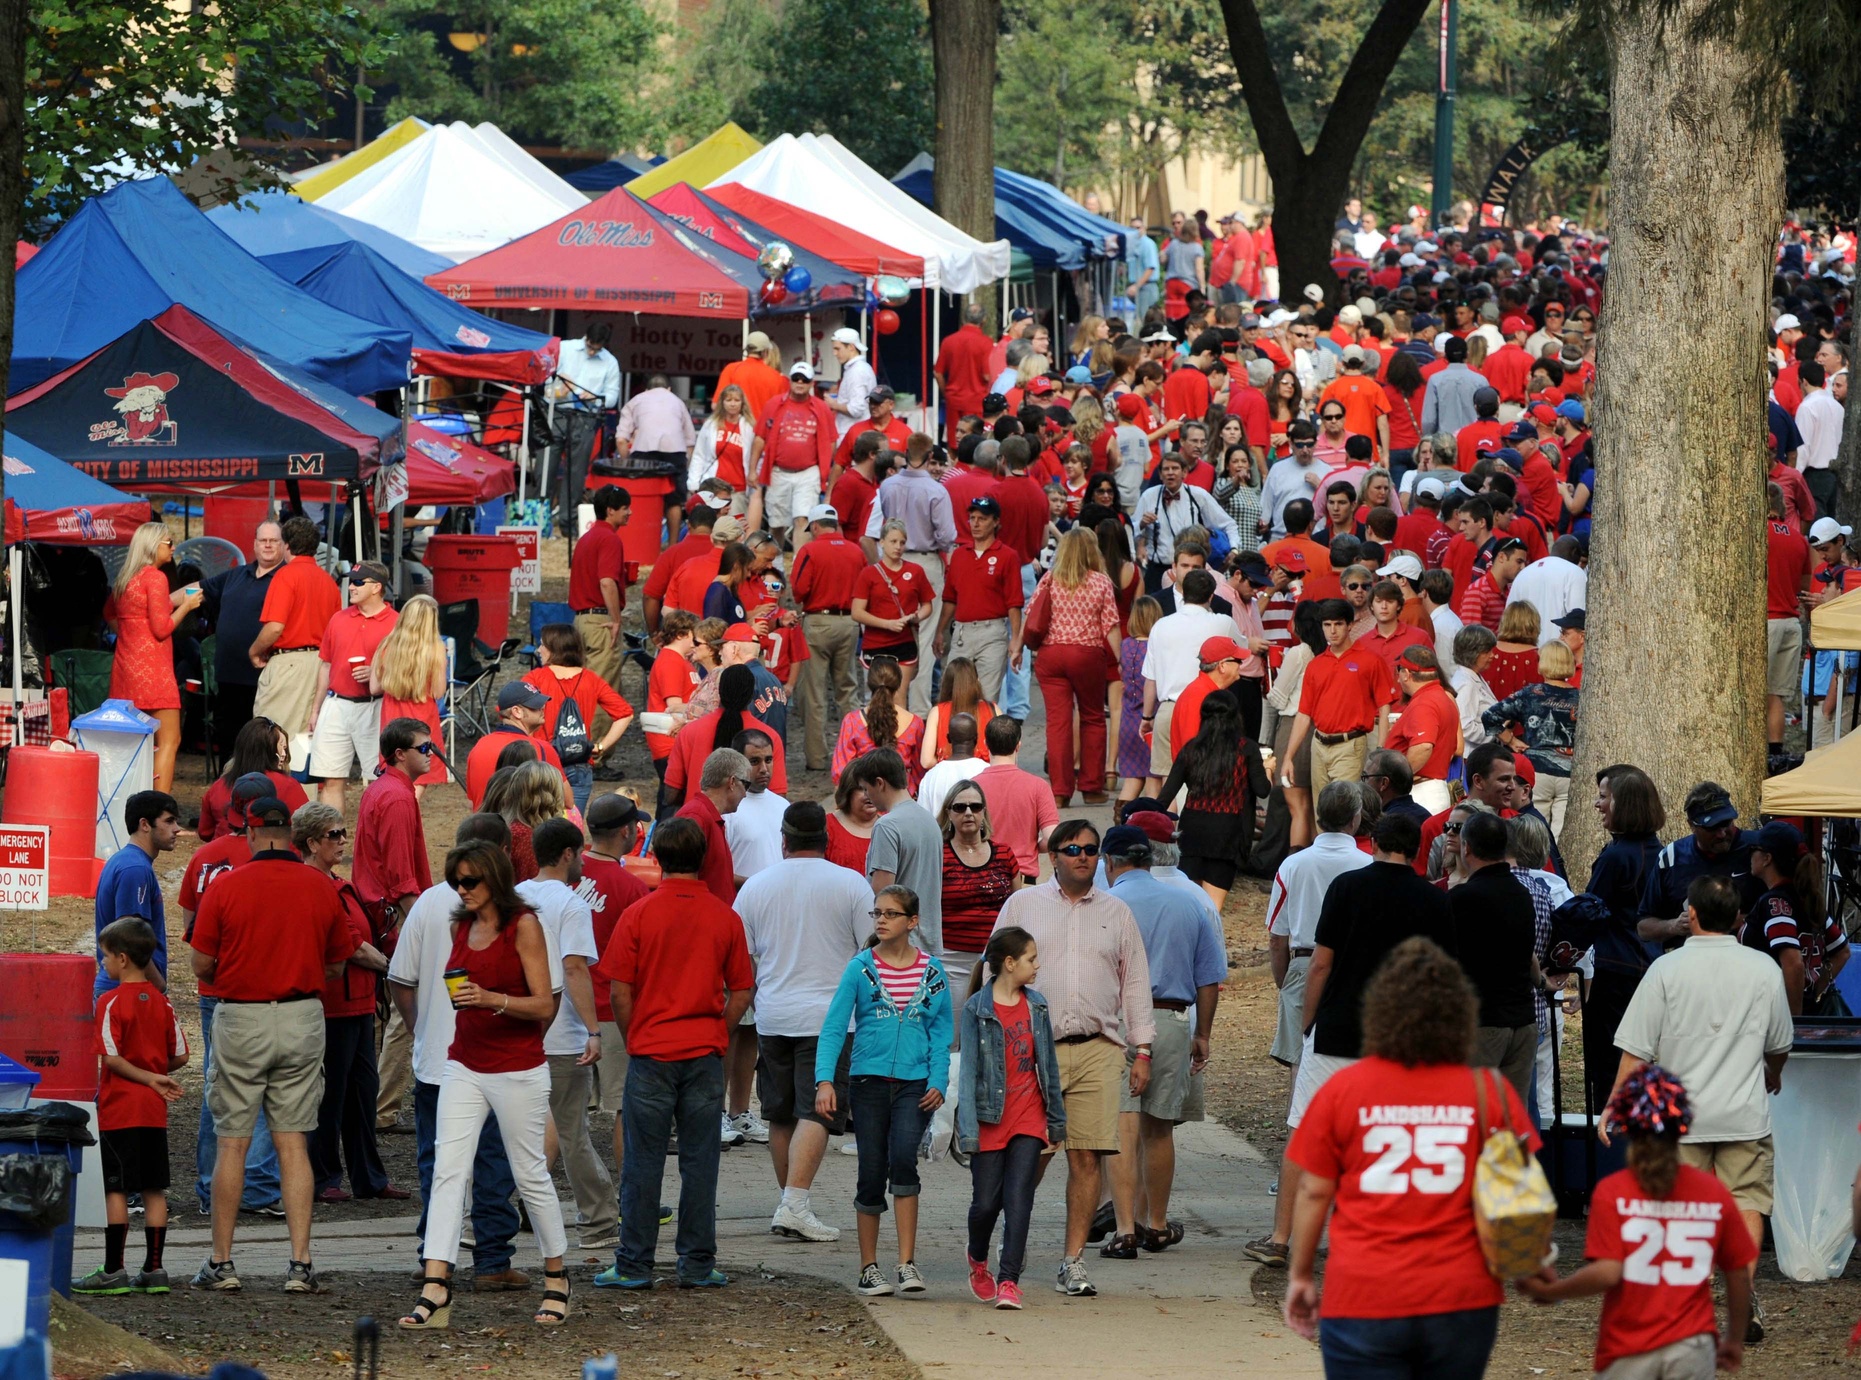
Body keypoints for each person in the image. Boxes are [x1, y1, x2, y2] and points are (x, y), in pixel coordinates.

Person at [1283, 937, 1536, 1376]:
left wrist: (1301, 1275)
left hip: (1363, 1295)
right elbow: (1517, 1195)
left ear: (1379, 1011)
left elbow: (1314, 1191)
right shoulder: (1489, 1091)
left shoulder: (1344, 1090)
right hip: (1462, 1298)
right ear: (1461, 1015)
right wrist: (1528, 1269)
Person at [1256, 814, 1451, 1275]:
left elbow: (1321, 964)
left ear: (1377, 841)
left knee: (1305, 1132)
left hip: (1339, 1028)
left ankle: (1282, 1237)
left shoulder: (1346, 887)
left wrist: (1309, 1023)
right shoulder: (1434, 900)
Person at [1608, 875, 1793, 1346]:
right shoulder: (1763, 969)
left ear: (1689, 913)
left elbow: (1636, 1050)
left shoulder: (1665, 971)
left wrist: (1615, 1104)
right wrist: (1773, 1071)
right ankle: (1742, 1295)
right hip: (1743, 1113)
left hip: (1679, 1119)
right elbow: (1780, 1043)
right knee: (1747, 1203)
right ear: (1738, 918)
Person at [400, 841, 571, 1330]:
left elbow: (544, 1005)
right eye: (457, 880)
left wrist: (493, 999)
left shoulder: (525, 926)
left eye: (470, 881)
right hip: (465, 1063)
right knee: (448, 1172)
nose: (462, 889)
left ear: (494, 879)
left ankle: (557, 1278)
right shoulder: (459, 924)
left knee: (530, 1174)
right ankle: (436, 1286)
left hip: (518, 1066)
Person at [188, 794, 354, 1294]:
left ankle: (222, 1262)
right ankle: (300, 1263)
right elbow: (337, 962)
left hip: (242, 1017)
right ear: (291, 833)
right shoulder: (321, 887)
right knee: (293, 1141)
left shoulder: (227, 887)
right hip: (303, 1017)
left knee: (233, 1142)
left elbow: (200, 964)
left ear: (253, 833)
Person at [992, 820, 1154, 1300]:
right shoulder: (1023, 905)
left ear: (1101, 858)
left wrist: (1141, 1049)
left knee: (1086, 1159)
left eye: (1090, 849)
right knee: (1031, 1158)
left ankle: (1072, 1261)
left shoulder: (1117, 913)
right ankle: (1010, 1248)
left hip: (1099, 1050)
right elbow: (993, 971)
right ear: (1052, 856)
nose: (1082, 856)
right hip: (1032, 1051)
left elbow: (1135, 984)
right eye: (1072, 849)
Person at [591, 817, 753, 1291]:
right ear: (703, 858)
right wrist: (715, 1033)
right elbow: (741, 992)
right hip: (702, 1054)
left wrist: (636, 1032)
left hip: (652, 1052)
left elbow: (620, 990)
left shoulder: (640, 913)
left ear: (656, 857)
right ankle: (697, 1263)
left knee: (642, 1161)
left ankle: (634, 1264)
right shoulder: (725, 915)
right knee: (701, 1162)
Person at [1518, 1065, 1753, 1375]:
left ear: (1624, 1125)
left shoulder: (1613, 1192)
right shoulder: (1713, 1192)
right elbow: (1738, 1274)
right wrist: (1734, 1339)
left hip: (1628, 1345)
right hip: (1692, 1344)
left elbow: (1607, 1273)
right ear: (1683, 1124)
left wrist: (1552, 1291)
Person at [386, 814, 532, 1295]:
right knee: (493, 1159)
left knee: (438, 1161)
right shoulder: (510, 911)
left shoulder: (429, 902)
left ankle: (435, 1256)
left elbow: (399, 978)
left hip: (438, 1061)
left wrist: (420, 1026)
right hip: (493, 1058)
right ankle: (491, 1258)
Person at [1242, 781, 1370, 1267]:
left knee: (1303, 1096)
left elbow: (1278, 934)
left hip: (1301, 964)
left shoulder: (1293, 864)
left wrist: (1284, 983)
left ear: (1319, 817)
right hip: (1352, 977)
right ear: (1356, 819)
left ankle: (1286, 1229)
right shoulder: (1364, 865)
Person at [735, 801, 872, 1244]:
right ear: (826, 839)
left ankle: (791, 1203)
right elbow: (869, 951)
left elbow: (744, 955)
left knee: (779, 1114)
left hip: (773, 1013)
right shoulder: (851, 884)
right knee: (819, 1110)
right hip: (830, 1018)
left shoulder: (755, 886)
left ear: (784, 839)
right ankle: (793, 1204)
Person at [814, 884, 953, 1296]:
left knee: (904, 1160)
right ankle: (868, 1265)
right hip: (869, 1082)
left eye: (891, 914)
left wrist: (939, 1080)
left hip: (915, 1085)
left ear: (912, 922)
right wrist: (825, 1079)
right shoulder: (859, 968)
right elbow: (835, 1026)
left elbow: (942, 1031)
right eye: (878, 913)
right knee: (871, 1169)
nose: (881, 920)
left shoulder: (933, 971)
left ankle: (907, 1263)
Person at [1099, 824, 1227, 1259]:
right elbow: (1209, 978)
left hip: (1116, 1021)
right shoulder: (1190, 903)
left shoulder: (1106, 903)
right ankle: (1155, 1223)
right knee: (1158, 1130)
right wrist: (1203, 1033)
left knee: (1121, 1124)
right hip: (1171, 1018)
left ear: (1111, 862)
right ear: (1151, 859)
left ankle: (1123, 1229)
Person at [511, 817, 614, 1252]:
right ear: (569, 854)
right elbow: (574, 968)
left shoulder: (513, 898)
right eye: (581, 854)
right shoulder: (570, 905)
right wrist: (593, 1030)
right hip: (561, 1034)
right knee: (572, 1131)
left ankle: (487, 1214)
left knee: (514, 1130)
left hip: (519, 1029)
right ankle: (599, 1220)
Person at [180, 775, 282, 1214]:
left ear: (233, 809)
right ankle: (255, 1186)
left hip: (212, 984)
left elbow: (190, 926)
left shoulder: (205, 857)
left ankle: (209, 1185)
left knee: (215, 1083)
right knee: (263, 1084)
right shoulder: (274, 858)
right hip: (259, 984)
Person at [73, 918, 188, 1296]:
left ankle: (113, 1269)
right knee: (155, 1188)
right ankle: (154, 1269)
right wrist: (156, 1073)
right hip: (154, 1112)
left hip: (120, 1109)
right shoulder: (162, 1002)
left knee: (116, 1189)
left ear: (122, 959)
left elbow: (112, 1058)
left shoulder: (109, 1002)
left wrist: (145, 1076)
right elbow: (181, 1055)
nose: (102, 963)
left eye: (104, 956)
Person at [289, 803, 397, 1204]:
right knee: (331, 1095)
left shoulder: (334, 882)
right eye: (334, 834)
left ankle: (367, 1176)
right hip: (334, 1004)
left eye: (342, 833)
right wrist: (394, 968)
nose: (342, 841)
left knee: (363, 1093)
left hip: (357, 1002)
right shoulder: (315, 885)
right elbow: (351, 944)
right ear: (312, 842)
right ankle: (324, 1177)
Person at [957, 925, 1066, 1312]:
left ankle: (1008, 1281)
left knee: (1019, 1199)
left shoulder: (1036, 1004)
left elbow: (1048, 1066)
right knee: (986, 1204)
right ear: (1009, 963)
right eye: (1031, 959)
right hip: (989, 1117)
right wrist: (967, 1131)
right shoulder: (976, 1009)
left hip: (1029, 1117)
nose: (1037, 966)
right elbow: (967, 1074)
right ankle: (977, 1257)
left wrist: (1056, 1122)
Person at [1579, 766, 1669, 1113]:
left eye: (1604, 797)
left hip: (1615, 972)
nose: (1597, 804)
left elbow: (1590, 910)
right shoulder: (1659, 851)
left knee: (1609, 1061)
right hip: (1649, 968)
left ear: (1624, 804)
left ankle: (1610, 1134)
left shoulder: (1616, 856)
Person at [1449, 811, 1541, 1104]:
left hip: (1483, 1024)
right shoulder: (1522, 894)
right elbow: (1528, 957)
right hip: (1523, 1023)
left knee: (1473, 1118)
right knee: (1510, 1124)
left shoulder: (1462, 899)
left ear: (1467, 848)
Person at [868, 432, 958, 715]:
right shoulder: (936, 490)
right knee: (925, 638)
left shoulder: (888, 485)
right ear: (930, 456)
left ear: (906, 453)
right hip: (924, 559)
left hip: (892, 558)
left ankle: (886, 703)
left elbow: (886, 518)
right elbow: (947, 536)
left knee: (893, 630)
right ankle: (917, 709)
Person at [1031, 528, 1122, 806]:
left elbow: (1032, 615)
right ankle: (1092, 787)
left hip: (1051, 655)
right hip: (1086, 655)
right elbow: (1111, 626)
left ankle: (1059, 791)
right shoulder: (1100, 582)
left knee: (1057, 723)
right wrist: (1121, 662)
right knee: (1093, 717)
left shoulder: (1049, 579)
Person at [109, 523, 201, 791]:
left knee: (135, 744)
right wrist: (187, 605)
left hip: (126, 668)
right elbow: (162, 629)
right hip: (154, 670)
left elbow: (109, 613)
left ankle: (133, 803)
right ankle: (161, 810)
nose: (173, 547)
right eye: (168, 542)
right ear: (152, 546)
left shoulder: (125, 578)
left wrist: (129, 634)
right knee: (170, 740)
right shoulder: (155, 578)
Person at [1159, 693, 1268, 911]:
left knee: (1189, 904)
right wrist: (1270, 770)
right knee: (1212, 908)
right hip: (1229, 833)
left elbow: (1165, 796)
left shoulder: (1191, 749)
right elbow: (1262, 790)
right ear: (1236, 716)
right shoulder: (1247, 749)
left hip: (1192, 832)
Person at [302, 560, 396, 811]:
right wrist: (315, 709)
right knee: (331, 777)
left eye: (357, 582)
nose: (351, 587)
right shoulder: (338, 619)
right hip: (337, 704)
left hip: (376, 706)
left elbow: (405, 670)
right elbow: (325, 666)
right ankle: (331, 842)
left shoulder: (396, 623)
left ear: (376, 587)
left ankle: (375, 844)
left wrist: (378, 675)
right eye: (349, 582)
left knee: (380, 779)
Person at [1283, 598, 1395, 795]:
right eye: (1327, 625)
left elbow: (1385, 706)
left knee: (1343, 809)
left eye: (1338, 624)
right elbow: (1304, 714)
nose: (1332, 631)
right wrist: (1288, 757)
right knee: (1322, 811)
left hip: (1350, 745)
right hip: (1318, 744)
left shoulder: (1370, 660)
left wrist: (1380, 750)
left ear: (1350, 625)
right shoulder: (1315, 665)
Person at [199, 519, 288, 758]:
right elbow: (197, 590)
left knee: (261, 740)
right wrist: (160, 602)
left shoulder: (287, 579)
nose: (268, 545)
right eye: (263, 540)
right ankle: (227, 788)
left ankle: (256, 787)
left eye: (273, 541)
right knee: (228, 736)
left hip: (265, 675)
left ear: (283, 545)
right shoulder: (235, 575)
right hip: (229, 674)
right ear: (254, 544)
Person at [522, 624, 635, 811]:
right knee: (572, 827)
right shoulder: (591, 679)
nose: (539, 650)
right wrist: (601, 747)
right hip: (579, 762)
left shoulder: (535, 678)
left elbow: (511, 710)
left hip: (543, 761)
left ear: (554, 649)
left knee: (541, 826)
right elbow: (625, 714)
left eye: (543, 645)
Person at [250, 515, 340, 748]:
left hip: (289, 663)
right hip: (322, 664)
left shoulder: (286, 575)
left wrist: (255, 651)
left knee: (270, 736)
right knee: (304, 742)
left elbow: (275, 627)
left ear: (286, 544)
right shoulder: (328, 581)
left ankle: (272, 785)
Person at [1744, 820, 1849, 1016]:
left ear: (1767, 858)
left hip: (1772, 1019)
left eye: (1753, 849)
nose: (1750, 854)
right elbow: (1842, 951)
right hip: (1800, 1011)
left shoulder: (1775, 904)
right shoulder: (1807, 899)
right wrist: (1813, 992)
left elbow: (1793, 964)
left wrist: (1795, 1022)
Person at [856, 749, 948, 959]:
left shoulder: (887, 826)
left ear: (880, 783)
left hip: (898, 947)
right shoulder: (929, 820)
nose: (867, 796)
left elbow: (883, 893)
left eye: (866, 788)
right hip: (929, 942)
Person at [1482, 639, 1580, 833]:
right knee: (1561, 833)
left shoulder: (1530, 694)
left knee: (1532, 827)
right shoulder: (1581, 696)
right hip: (1571, 771)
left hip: (1536, 771)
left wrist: (1510, 740)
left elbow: (1489, 716)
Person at [935, 495, 1025, 702]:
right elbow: (950, 598)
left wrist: (1015, 639)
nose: (975, 523)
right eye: (972, 518)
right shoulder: (959, 555)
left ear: (996, 522)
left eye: (982, 519)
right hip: (962, 631)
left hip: (992, 631)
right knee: (953, 695)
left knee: (987, 697)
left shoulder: (1007, 556)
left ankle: (984, 734)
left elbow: (1014, 602)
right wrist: (939, 630)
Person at [93, 790, 180, 999]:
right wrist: (159, 986)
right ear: (145, 824)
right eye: (169, 821)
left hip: (122, 988)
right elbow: (130, 938)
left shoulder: (126, 861)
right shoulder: (135, 868)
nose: (177, 829)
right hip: (128, 991)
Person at [939, 778, 1018, 995]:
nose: (968, 812)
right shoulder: (938, 855)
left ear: (983, 812)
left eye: (975, 806)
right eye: (959, 807)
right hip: (951, 963)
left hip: (998, 960)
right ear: (949, 813)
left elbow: (1017, 909)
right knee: (957, 1029)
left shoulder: (1004, 855)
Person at [751, 362, 838, 551]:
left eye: (804, 380)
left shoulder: (821, 408)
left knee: (803, 520)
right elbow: (759, 438)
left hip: (808, 472)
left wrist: (825, 469)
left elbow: (832, 441)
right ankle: (775, 567)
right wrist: (752, 470)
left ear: (811, 383)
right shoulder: (774, 404)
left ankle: (799, 570)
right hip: (778, 471)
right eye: (796, 378)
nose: (800, 382)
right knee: (776, 524)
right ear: (790, 381)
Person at [368, 593, 449, 795]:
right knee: (416, 784)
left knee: (395, 776)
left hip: (393, 719)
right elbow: (438, 692)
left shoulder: (386, 646)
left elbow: (374, 689)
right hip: (422, 720)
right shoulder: (436, 650)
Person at [550, 321, 621, 538]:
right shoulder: (566, 348)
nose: (592, 351)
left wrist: (595, 396)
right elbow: (544, 379)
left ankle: (568, 525)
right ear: (585, 338)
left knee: (576, 473)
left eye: (596, 349)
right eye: (590, 346)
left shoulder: (610, 362)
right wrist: (559, 386)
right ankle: (539, 521)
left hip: (586, 417)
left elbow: (612, 397)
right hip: (557, 412)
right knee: (546, 469)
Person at [852, 519, 933, 704]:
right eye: (893, 541)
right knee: (877, 697)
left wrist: (916, 617)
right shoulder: (869, 574)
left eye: (902, 542)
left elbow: (927, 604)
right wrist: (887, 624)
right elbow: (857, 612)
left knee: (900, 695)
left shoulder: (915, 571)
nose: (898, 547)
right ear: (881, 542)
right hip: (876, 643)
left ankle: (901, 732)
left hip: (904, 642)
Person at [973, 717, 1060, 884]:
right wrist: (1034, 845)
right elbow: (1053, 838)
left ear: (986, 744)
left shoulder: (973, 786)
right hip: (1023, 880)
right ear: (1018, 745)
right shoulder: (1038, 786)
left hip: (983, 878)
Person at [568, 485, 633, 707]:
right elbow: (606, 582)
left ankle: (584, 738)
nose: (629, 513)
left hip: (581, 621)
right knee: (602, 691)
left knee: (584, 688)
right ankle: (599, 742)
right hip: (600, 622)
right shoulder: (609, 539)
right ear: (610, 510)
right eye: (625, 508)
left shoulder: (586, 538)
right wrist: (615, 620)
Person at [462, 682, 563, 809]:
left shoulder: (479, 745)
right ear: (516, 711)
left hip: (485, 825)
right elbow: (566, 800)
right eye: (535, 706)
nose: (542, 708)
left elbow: (472, 801)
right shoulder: (542, 748)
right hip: (524, 826)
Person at [1384, 645, 1459, 814]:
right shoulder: (1440, 696)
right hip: (1430, 789)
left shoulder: (1425, 702)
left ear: (1407, 674)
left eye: (1399, 672)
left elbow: (1423, 746)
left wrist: (1398, 781)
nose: (1398, 679)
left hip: (1421, 793)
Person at [922, 656, 996, 771]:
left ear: (946, 683)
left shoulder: (937, 712)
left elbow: (926, 761)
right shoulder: (992, 709)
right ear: (977, 681)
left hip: (949, 779)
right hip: (985, 778)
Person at [937, 304, 996, 447]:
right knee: (975, 442)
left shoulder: (949, 341)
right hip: (976, 399)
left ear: (964, 319)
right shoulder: (986, 343)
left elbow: (938, 372)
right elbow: (987, 376)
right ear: (984, 320)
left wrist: (946, 393)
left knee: (954, 440)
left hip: (954, 399)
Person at [689, 387, 756, 504]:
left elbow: (756, 457)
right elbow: (699, 455)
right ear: (722, 402)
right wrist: (693, 483)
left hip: (737, 491)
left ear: (742, 403)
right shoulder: (711, 424)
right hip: (712, 489)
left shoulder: (749, 427)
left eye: (736, 400)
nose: (733, 404)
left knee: (734, 522)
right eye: (728, 400)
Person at [918, 711, 989, 819]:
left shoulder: (931, 777)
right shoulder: (987, 771)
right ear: (976, 739)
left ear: (948, 738)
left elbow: (923, 821)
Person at [718, 331, 787, 427]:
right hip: (763, 434)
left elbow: (716, 405)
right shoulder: (778, 378)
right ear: (765, 352)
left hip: (736, 432)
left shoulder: (731, 369)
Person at [827, 770, 880, 875]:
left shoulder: (891, 828)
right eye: (863, 789)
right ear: (848, 792)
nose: (870, 793)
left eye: (875, 786)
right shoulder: (827, 827)